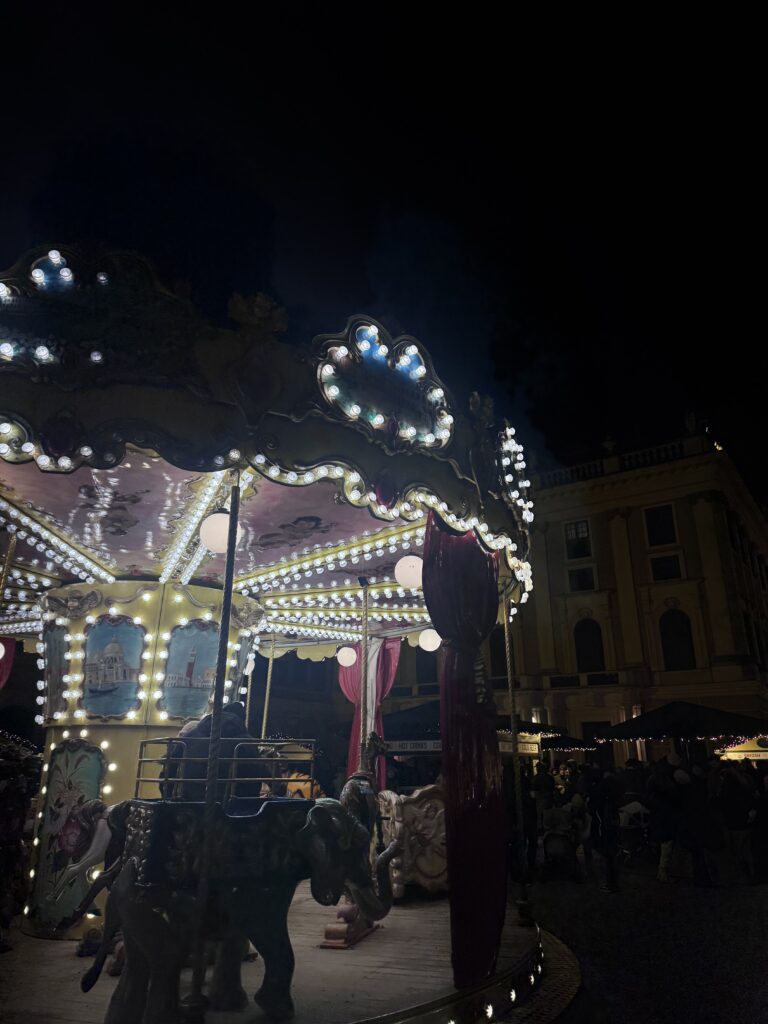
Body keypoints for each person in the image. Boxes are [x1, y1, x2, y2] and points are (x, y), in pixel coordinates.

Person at [531, 761, 555, 832]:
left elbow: (533, 788)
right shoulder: (549, 777)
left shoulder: (536, 778)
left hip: (540, 799)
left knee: (540, 816)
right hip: (549, 799)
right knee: (548, 816)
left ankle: (542, 830)